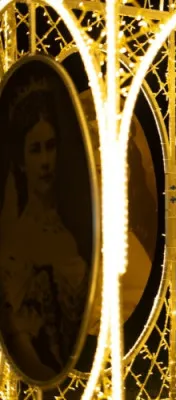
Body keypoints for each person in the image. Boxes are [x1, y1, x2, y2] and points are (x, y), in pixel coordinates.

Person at [0, 82, 89, 380]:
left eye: (50, 146)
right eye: (35, 150)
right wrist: (49, 379)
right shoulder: (19, 239)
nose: (45, 161)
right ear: (22, 163)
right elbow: (17, 335)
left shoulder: (69, 224)